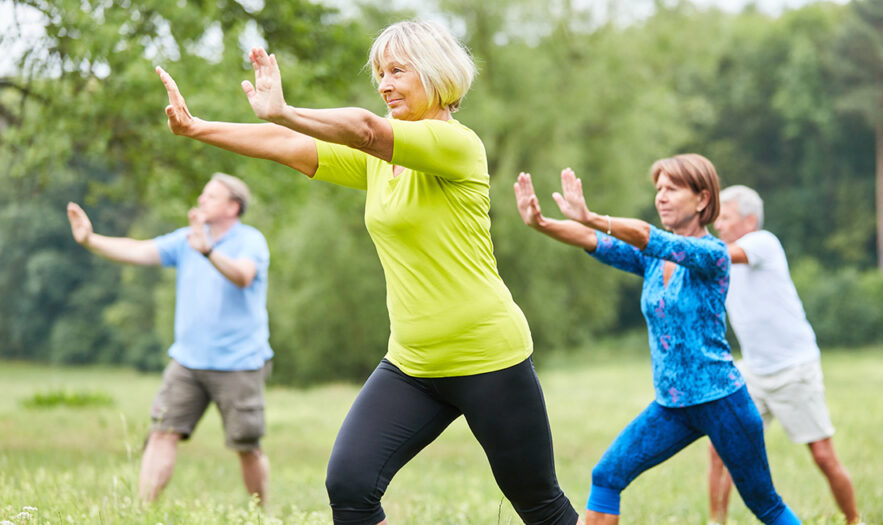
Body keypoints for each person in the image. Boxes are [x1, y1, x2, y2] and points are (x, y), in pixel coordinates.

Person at [155, 20, 579, 525]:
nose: (384, 84)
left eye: (398, 71)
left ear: (436, 74)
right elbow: (285, 146)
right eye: (380, 73)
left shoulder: (455, 145)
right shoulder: (380, 163)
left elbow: (366, 129)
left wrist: (287, 110)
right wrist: (196, 127)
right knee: (350, 485)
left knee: (539, 504)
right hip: (412, 362)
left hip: (487, 355)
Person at [514, 158, 800, 525]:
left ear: (701, 199)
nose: (661, 197)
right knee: (607, 476)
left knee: (765, 505)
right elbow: (594, 240)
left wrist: (592, 215)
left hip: (722, 401)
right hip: (672, 406)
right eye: (658, 189)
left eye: (672, 189)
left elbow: (649, 237)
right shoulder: (651, 261)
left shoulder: (712, 255)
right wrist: (541, 222)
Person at [66, 172, 273, 505]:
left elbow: (243, 276)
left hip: (239, 363)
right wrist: (91, 239)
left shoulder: (250, 241)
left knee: (246, 447)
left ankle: (261, 514)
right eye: (202, 195)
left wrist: (208, 251)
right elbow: (138, 251)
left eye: (211, 196)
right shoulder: (186, 240)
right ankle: (142, 512)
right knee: (162, 432)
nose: (201, 200)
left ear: (233, 207)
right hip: (188, 362)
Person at [708, 184, 860, 525]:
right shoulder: (718, 255)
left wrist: (674, 242)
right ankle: (716, 522)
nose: (718, 224)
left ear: (749, 220)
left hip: (794, 369)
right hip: (753, 372)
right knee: (720, 450)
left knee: (823, 457)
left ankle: (853, 519)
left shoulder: (763, 243)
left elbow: (716, 255)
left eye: (725, 217)